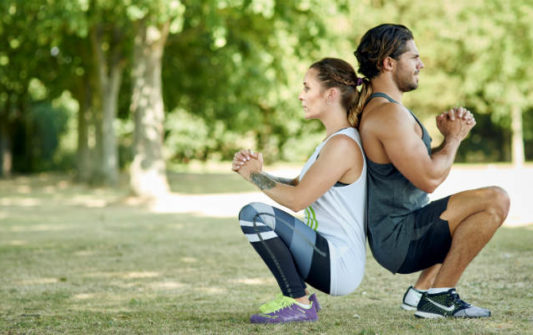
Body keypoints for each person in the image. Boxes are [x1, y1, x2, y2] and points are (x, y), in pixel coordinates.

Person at [354, 24, 510, 319]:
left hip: (404, 232)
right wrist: (454, 139)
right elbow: (429, 179)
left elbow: (420, 167)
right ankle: (440, 297)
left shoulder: (390, 110)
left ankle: (420, 293)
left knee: (479, 210)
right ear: (388, 63)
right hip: (399, 238)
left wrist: (444, 140)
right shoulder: (387, 114)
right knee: (496, 199)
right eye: (414, 58)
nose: (421, 64)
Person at [232, 58, 367, 324]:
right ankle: (300, 301)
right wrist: (257, 174)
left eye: (307, 88)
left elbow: (297, 200)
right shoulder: (332, 141)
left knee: (253, 215)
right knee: (255, 214)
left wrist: (255, 176)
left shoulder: (343, 145)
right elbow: (298, 185)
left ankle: (299, 303)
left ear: (331, 94)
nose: (300, 95)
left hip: (338, 263)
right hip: (325, 254)